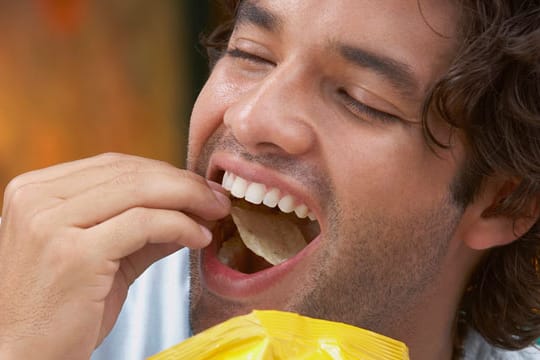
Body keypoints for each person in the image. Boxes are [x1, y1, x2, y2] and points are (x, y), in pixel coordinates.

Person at [0, 0, 539, 359]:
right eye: (249, 54)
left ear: (501, 202)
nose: (251, 118)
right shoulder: (55, 327)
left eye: (360, 99)